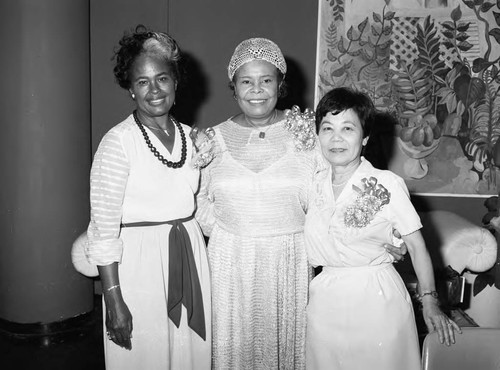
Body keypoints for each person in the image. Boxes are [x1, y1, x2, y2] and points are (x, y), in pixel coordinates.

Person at [195, 38, 405, 369]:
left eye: (266, 80)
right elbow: (198, 199)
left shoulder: (310, 133)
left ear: (281, 84)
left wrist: (385, 235)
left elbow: (340, 192)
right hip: (229, 260)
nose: (257, 90)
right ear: (233, 88)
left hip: (289, 258)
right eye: (246, 81)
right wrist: (230, 229)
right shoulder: (211, 140)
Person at [304, 87, 461, 370]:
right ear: (318, 135)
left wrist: (429, 302)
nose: (336, 138)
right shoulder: (312, 185)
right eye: (327, 128)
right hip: (324, 301)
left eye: (348, 128)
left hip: (376, 300)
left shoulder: (387, 184)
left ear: (364, 137)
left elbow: (416, 246)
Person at [85, 26, 211, 370]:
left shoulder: (193, 138)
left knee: (189, 353)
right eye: (142, 81)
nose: (154, 90)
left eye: (162, 79)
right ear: (130, 88)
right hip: (139, 268)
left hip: (190, 255)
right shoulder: (118, 143)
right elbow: (103, 229)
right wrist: (113, 300)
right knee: (144, 356)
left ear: (176, 82)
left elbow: (206, 206)